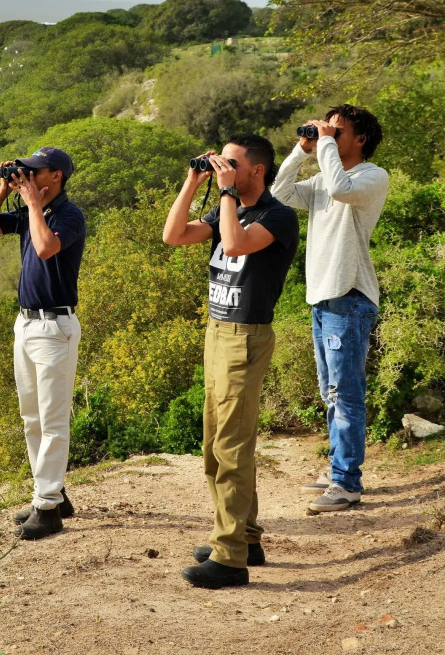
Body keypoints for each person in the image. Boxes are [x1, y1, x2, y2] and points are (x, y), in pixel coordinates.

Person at [163, 133, 299, 589]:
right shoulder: (229, 205)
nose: (224, 169)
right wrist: (193, 179)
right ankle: (248, 537)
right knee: (214, 443)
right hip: (217, 332)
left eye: (232, 163)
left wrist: (223, 193)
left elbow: (236, 245)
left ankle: (230, 558)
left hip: (246, 337)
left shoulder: (277, 216)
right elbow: (174, 235)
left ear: (257, 171)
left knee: (232, 449)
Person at [272, 105, 389, 514]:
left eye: (338, 131)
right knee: (330, 392)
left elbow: (340, 190)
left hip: (350, 295)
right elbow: (280, 193)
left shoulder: (371, 177)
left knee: (346, 393)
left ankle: (346, 483)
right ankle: (338, 469)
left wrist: (322, 143)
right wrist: (302, 150)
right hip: (323, 297)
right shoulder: (323, 175)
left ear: (360, 140)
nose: (329, 135)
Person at [0, 146, 85, 541]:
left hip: (55, 326)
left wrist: (32, 205)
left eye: (36, 171)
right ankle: (52, 495)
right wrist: (4, 191)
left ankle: (48, 509)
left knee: (53, 420)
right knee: (32, 417)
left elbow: (45, 247)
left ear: (56, 176)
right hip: (26, 323)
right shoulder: (29, 211)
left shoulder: (70, 215)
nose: (30, 176)